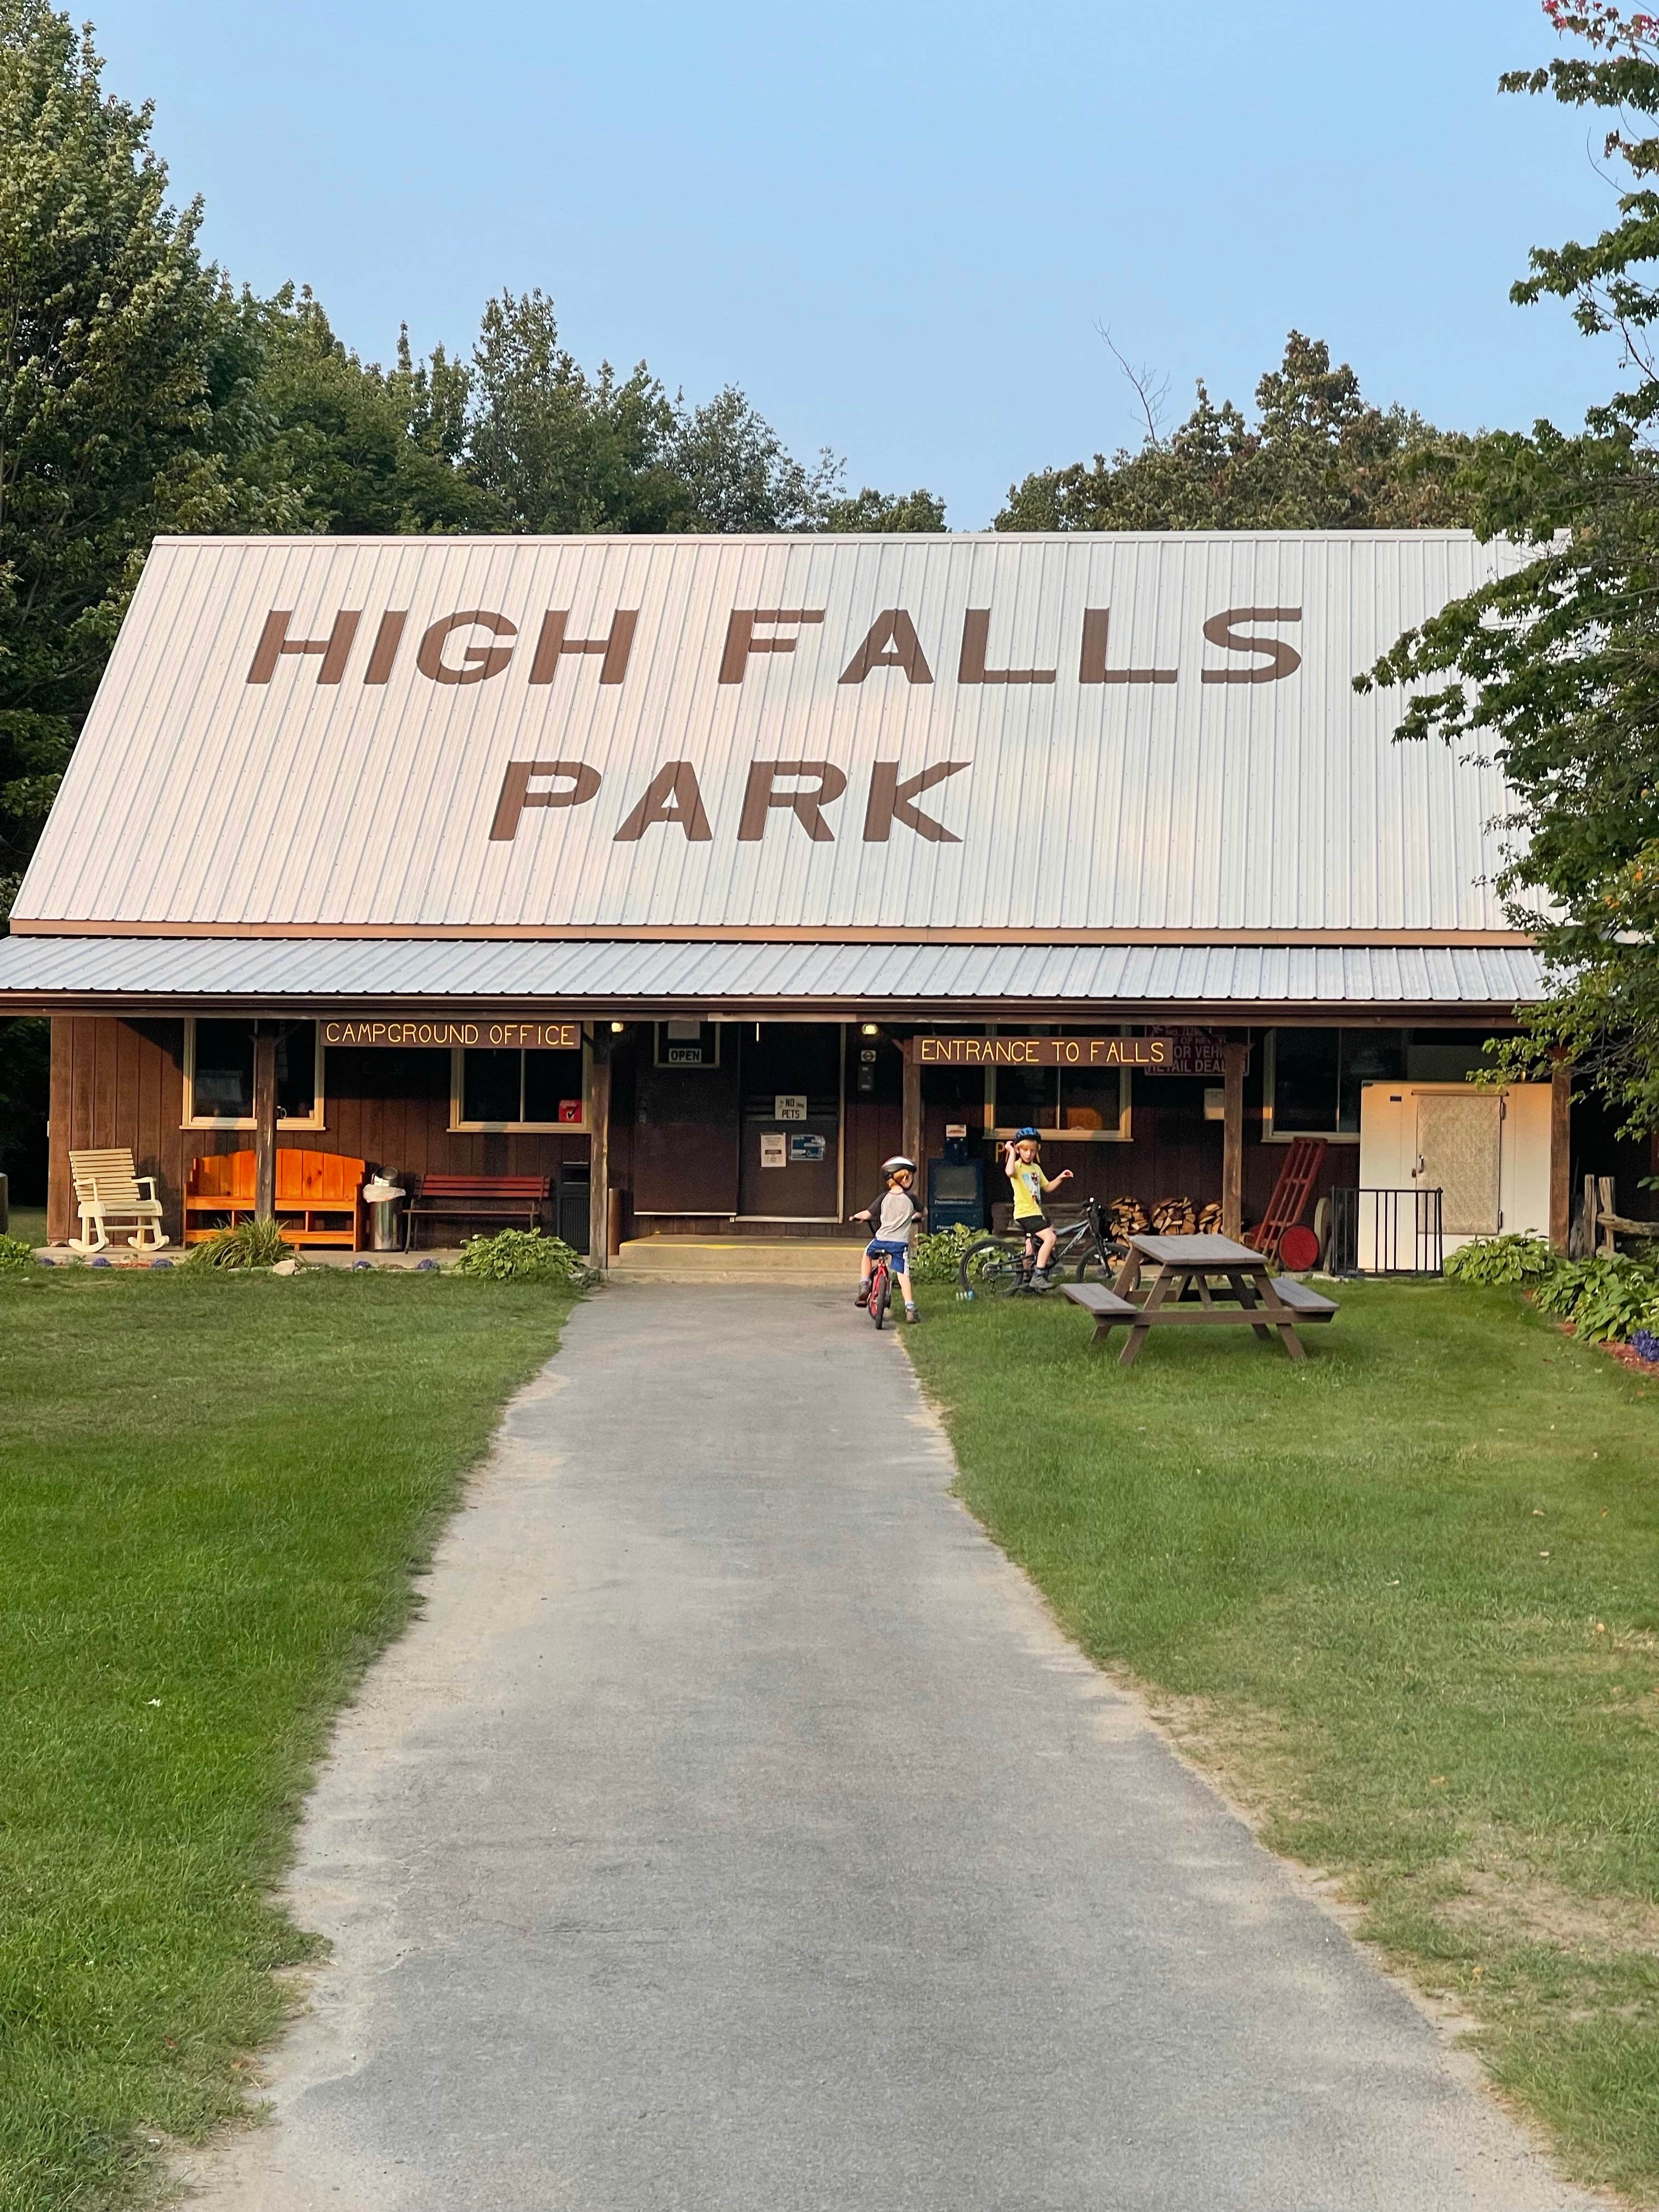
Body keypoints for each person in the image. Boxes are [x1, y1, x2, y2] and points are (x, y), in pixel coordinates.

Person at [850, 1155, 920, 1322]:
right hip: (899, 1245)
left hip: (881, 1240)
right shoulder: (911, 1199)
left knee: (867, 1254)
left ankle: (865, 1284)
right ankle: (910, 1309)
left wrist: (857, 1217)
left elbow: (868, 1213)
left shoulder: (883, 1198)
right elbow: (923, 1213)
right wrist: (915, 1216)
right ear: (904, 1178)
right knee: (903, 1275)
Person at [1001, 1126, 1073, 1290]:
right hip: (1025, 1213)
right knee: (1050, 1238)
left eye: (1032, 1151)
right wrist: (1011, 1151)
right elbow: (1009, 1171)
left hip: (1035, 1213)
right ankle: (1039, 1276)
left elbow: (1047, 1187)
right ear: (1019, 1150)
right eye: (1024, 1150)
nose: (1028, 1154)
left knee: (1031, 1247)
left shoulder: (1036, 1169)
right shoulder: (1017, 1166)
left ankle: (1027, 1278)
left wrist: (1061, 1178)